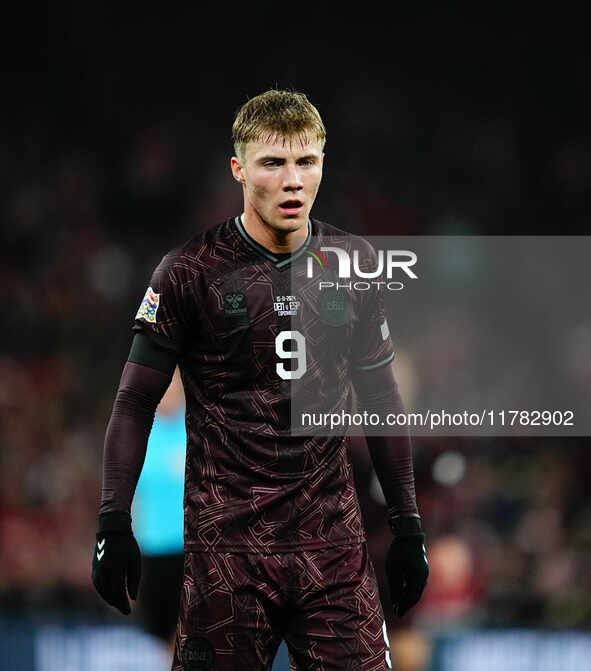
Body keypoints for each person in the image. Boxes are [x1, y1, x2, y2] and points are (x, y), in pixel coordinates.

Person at [91, 89, 429, 670]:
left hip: (332, 552)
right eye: (273, 163)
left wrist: (408, 524)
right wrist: (113, 521)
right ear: (239, 169)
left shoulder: (355, 265)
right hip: (226, 555)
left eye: (307, 161)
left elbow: (381, 398)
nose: (293, 180)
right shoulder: (189, 272)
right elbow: (135, 401)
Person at [132, 366, 186, 656]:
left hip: (191, 551)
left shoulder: (199, 429)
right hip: (152, 552)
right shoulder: (139, 431)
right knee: (161, 636)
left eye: (174, 386)